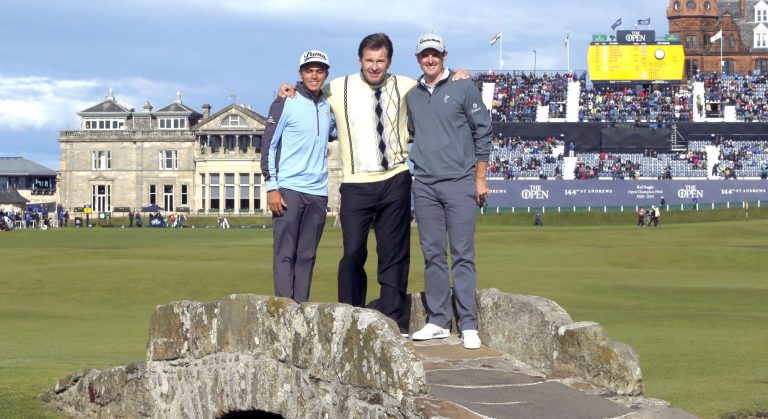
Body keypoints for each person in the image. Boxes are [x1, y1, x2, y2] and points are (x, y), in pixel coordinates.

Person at [406, 33, 493, 349]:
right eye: (424, 54)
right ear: (418, 58)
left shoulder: (463, 86)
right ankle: (439, 321)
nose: (430, 59)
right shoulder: (412, 95)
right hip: (425, 184)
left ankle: (468, 325)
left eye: (435, 54)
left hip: (459, 182)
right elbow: (414, 132)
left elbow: (484, 130)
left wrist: (480, 179)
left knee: (462, 254)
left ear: (444, 56)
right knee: (432, 255)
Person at [261, 49, 335, 304]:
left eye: (319, 71)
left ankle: (301, 308)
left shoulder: (327, 106)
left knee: (307, 255)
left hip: (318, 192)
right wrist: (272, 186)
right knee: (285, 253)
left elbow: (335, 133)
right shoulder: (286, 101)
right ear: (300, 73)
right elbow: (269, 144)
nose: (314, 75)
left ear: (326, 74)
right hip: (289, 189)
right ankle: (285, 310)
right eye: (309, 70)